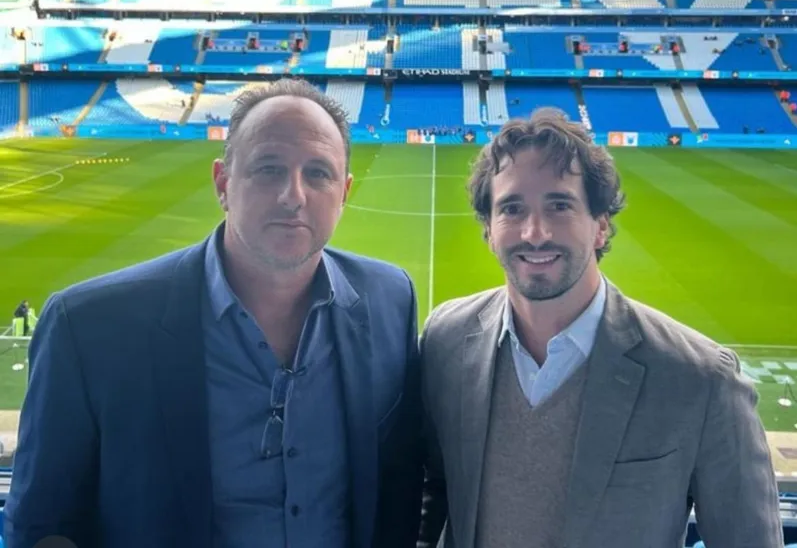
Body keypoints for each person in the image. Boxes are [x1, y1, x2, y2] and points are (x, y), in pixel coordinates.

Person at [6, 78, 423, 548]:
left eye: (318, 173)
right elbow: (42, 528)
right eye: (269, 169)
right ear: (223, 183)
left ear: (344, 191)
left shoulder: (390, 299)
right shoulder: (87, 327)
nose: (294, 195)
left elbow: (399, 485)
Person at [417, 108, 783, 548]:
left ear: (600, 226)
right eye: (512, 209)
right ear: (489, 231)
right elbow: (434, 495)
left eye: (559, 205)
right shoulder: (446, 341)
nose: (535, 233)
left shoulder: (702, 379)